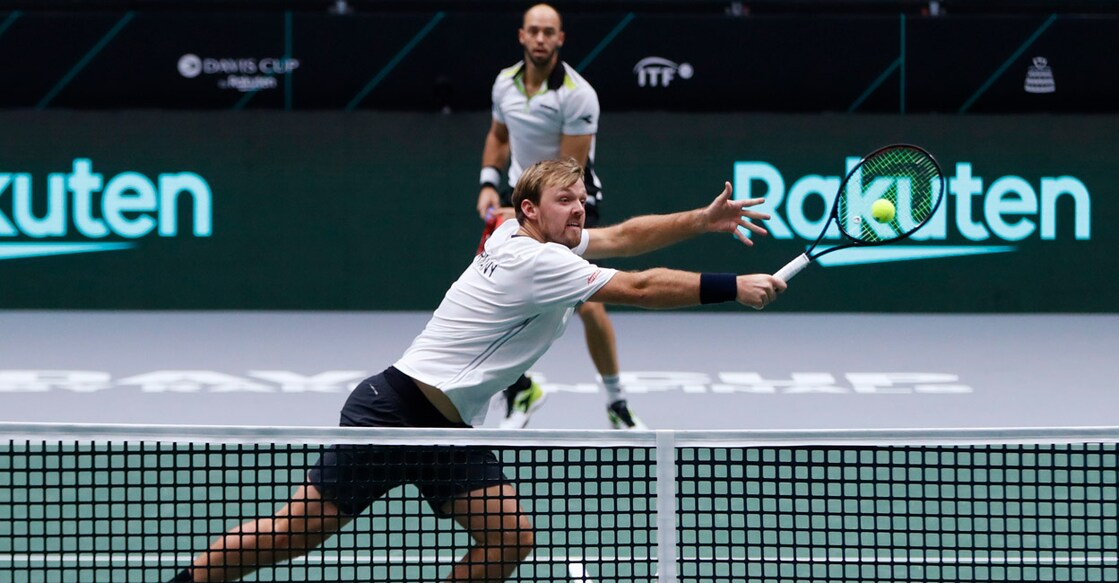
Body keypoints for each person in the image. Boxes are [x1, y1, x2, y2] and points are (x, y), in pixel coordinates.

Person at [169, 158, 785, 582]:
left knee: (509, 538)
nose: (577, 212)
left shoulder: (522, 236)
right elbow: (643, 286)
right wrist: (735, 287)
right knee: (297, 532)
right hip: (392, 412)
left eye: (579, 201)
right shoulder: (539, 264)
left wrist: (701, 221)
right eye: (564, 202)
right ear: (529, 209)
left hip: (449, 431)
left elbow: (623, 236)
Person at [478, 3, 637, 430]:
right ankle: (520, 389)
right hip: (522, 203)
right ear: (522, 36)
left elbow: (569, 174)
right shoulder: (504, 84)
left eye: (550, 32)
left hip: (570, 202)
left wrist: (521, 209)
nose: (542, 38)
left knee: (588, 302)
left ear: (560, 39)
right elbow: (498, 137)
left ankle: (616, 401)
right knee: (497, 292)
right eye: (534, 31)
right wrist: (489, 184)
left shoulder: (577, 94)